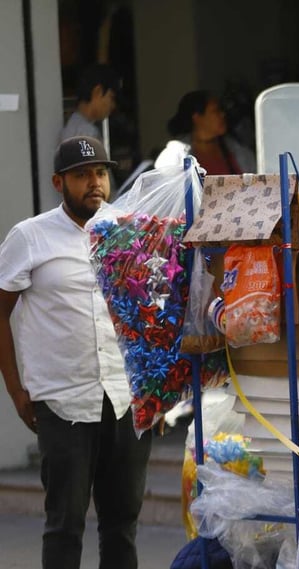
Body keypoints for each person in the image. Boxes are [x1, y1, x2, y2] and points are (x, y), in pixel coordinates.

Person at [0, 136, 152, 569]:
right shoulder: (30, 238)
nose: (94, 183)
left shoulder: (128, 231)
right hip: (63, 401)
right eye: (82, 175)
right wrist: (15, 389)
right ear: (58, 182)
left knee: (122, 525)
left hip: (125, 400)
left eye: (101, 173)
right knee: (65, 525)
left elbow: (150, 310)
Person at [154, 90, 256, 174]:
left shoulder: (237, 150)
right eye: (215, 111)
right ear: (197, 117)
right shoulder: (176, 155)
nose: (222, 115)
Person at [60, 64, 121, 143]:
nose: (113, 105)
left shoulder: (72, 126)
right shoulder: (88, 133)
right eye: (111, 97)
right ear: (97, 91)